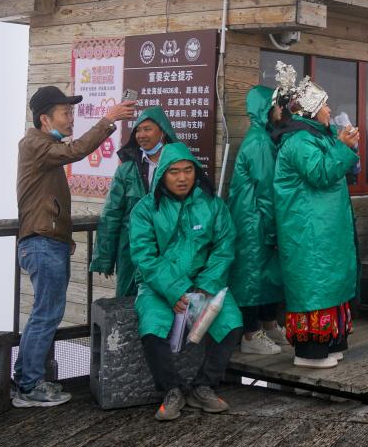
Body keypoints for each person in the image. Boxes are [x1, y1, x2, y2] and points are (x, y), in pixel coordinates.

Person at [14, 85, 135, 408]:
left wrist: (64, 238)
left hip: (47, 241)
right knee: (46, 314)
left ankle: (25, 379)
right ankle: (29, 386)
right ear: (45, 119)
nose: (71, 119)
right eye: (66, 113)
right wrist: (109, 120)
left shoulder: (43, 145)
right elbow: (77, 151)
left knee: (44, 313)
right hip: (42, 243)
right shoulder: (35, 144)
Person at [129, 143, 242, 421]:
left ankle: (204, 386)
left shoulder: (213, 205)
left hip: (204, 284)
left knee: (231, 323)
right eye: (174, 172)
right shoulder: (145, 209)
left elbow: (224, 246)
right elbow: (145, 256)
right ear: (162, 175)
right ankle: (173, 389)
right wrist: (175, 289)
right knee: (152, 328)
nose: (182, 178)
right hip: (159, 287)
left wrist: (205, 284)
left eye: (188, 170)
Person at [272, 63, 361, 368]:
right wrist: (343, 147)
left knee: (330, 284)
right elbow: (320, 174)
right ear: (310, 110)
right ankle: (309, 353)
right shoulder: (298, 141)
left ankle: (331, 344)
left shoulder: (316, 136)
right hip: (307, 231)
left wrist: (344, 144)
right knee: (314, 287)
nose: (329, 110)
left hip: (323, 229)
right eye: (324, 105)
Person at [90, 106, 179, 298]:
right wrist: (104, 258)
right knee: (127, 302)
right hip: (130, 252)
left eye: (147, 129)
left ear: (163, 132)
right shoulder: (126, 170)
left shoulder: (179, 167)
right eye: (138, 130)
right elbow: (112, 213)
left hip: (168, 250)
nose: (141, 135)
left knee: (164, 301)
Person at [226, 86, 287, 356]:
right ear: (266, 108)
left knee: (266, 274)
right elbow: (267, 191)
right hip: (254, 220)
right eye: (277, 105)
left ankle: (269, 324)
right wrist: (273, 230)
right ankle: (250, 333)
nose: (281, 110)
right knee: (251, 276)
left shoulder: (262, 137)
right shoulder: (260, 142)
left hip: (254, 217)